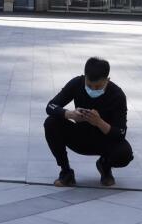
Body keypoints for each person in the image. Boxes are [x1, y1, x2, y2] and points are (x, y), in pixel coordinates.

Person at [44, 56, 133, 187]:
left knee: (124, 153)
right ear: (85, 77)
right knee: (51, 123)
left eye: (98, 86)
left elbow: (120, 133)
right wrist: (70, 114)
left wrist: (99, 122)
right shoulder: (77, 83)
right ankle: (66, 171)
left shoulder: (117, 95)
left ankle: (105, 166)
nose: (93, 89)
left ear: (107, 80)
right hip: (80, 136)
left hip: (104, 141)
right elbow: (51, 106)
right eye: (89, 85)